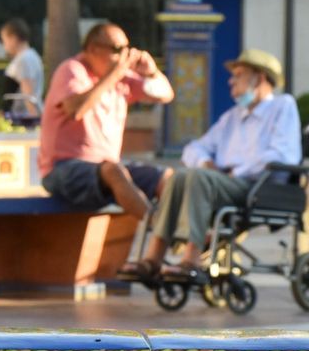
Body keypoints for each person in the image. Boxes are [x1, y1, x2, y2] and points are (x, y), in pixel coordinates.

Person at [119, 49, 302, 280]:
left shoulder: (282, 106)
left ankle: (190, 260)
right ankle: (153, 257)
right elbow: (194, 148)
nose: (231, 80)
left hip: (258, 185)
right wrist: (206, 162)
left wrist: (235, 172)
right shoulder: (233, 116)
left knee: (199, 178)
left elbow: (281, 154)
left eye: (239, 74)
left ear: (261, 78)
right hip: (222, 181)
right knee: (179, 176)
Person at [38, 22, 174, 217]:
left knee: (165, 178)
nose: (125, 56)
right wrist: (113, 75)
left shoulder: (121, 77)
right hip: (63, 169)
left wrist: (151, 72)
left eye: (128, 48)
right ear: (93, 48)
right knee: (113, 171)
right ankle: (155, 226)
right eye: (118, 49)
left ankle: (190, 238)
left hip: (106, 170)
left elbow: (165, 95)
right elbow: (76, 109)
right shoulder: (72, 69)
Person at [0, 18, 44, 120]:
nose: (4, 45)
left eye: (4, 40)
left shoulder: (24, 59)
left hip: (22, 119)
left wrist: (35, 120)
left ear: (14, 38)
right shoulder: (30, 56)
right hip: (22, 117)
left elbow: (28, 95)